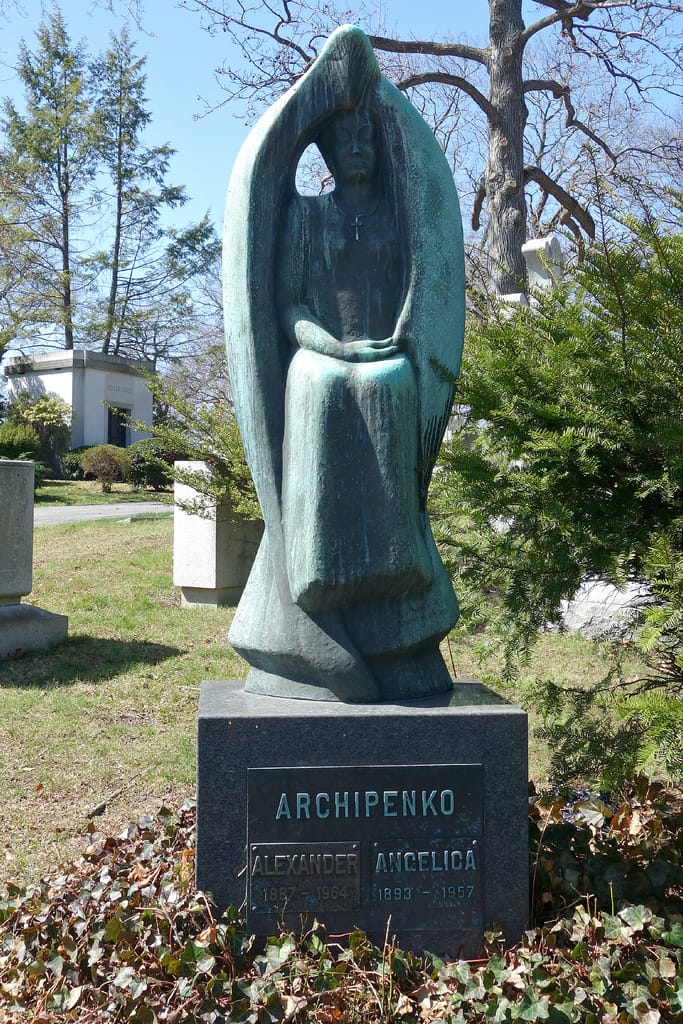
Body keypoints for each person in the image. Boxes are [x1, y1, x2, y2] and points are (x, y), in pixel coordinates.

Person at [224, 26, 465, 702]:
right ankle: (313, 585)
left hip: (386, 359)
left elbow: (424, 291)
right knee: (320, 385)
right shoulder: (305, 220)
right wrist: (329, 347)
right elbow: (288, 306)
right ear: (325, 151)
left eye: (366, 137)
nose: (356, 147)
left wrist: (380, 347)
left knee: (389, 387)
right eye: (343, 139)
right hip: (319, 360)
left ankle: (390, 581)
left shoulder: (396, 220)